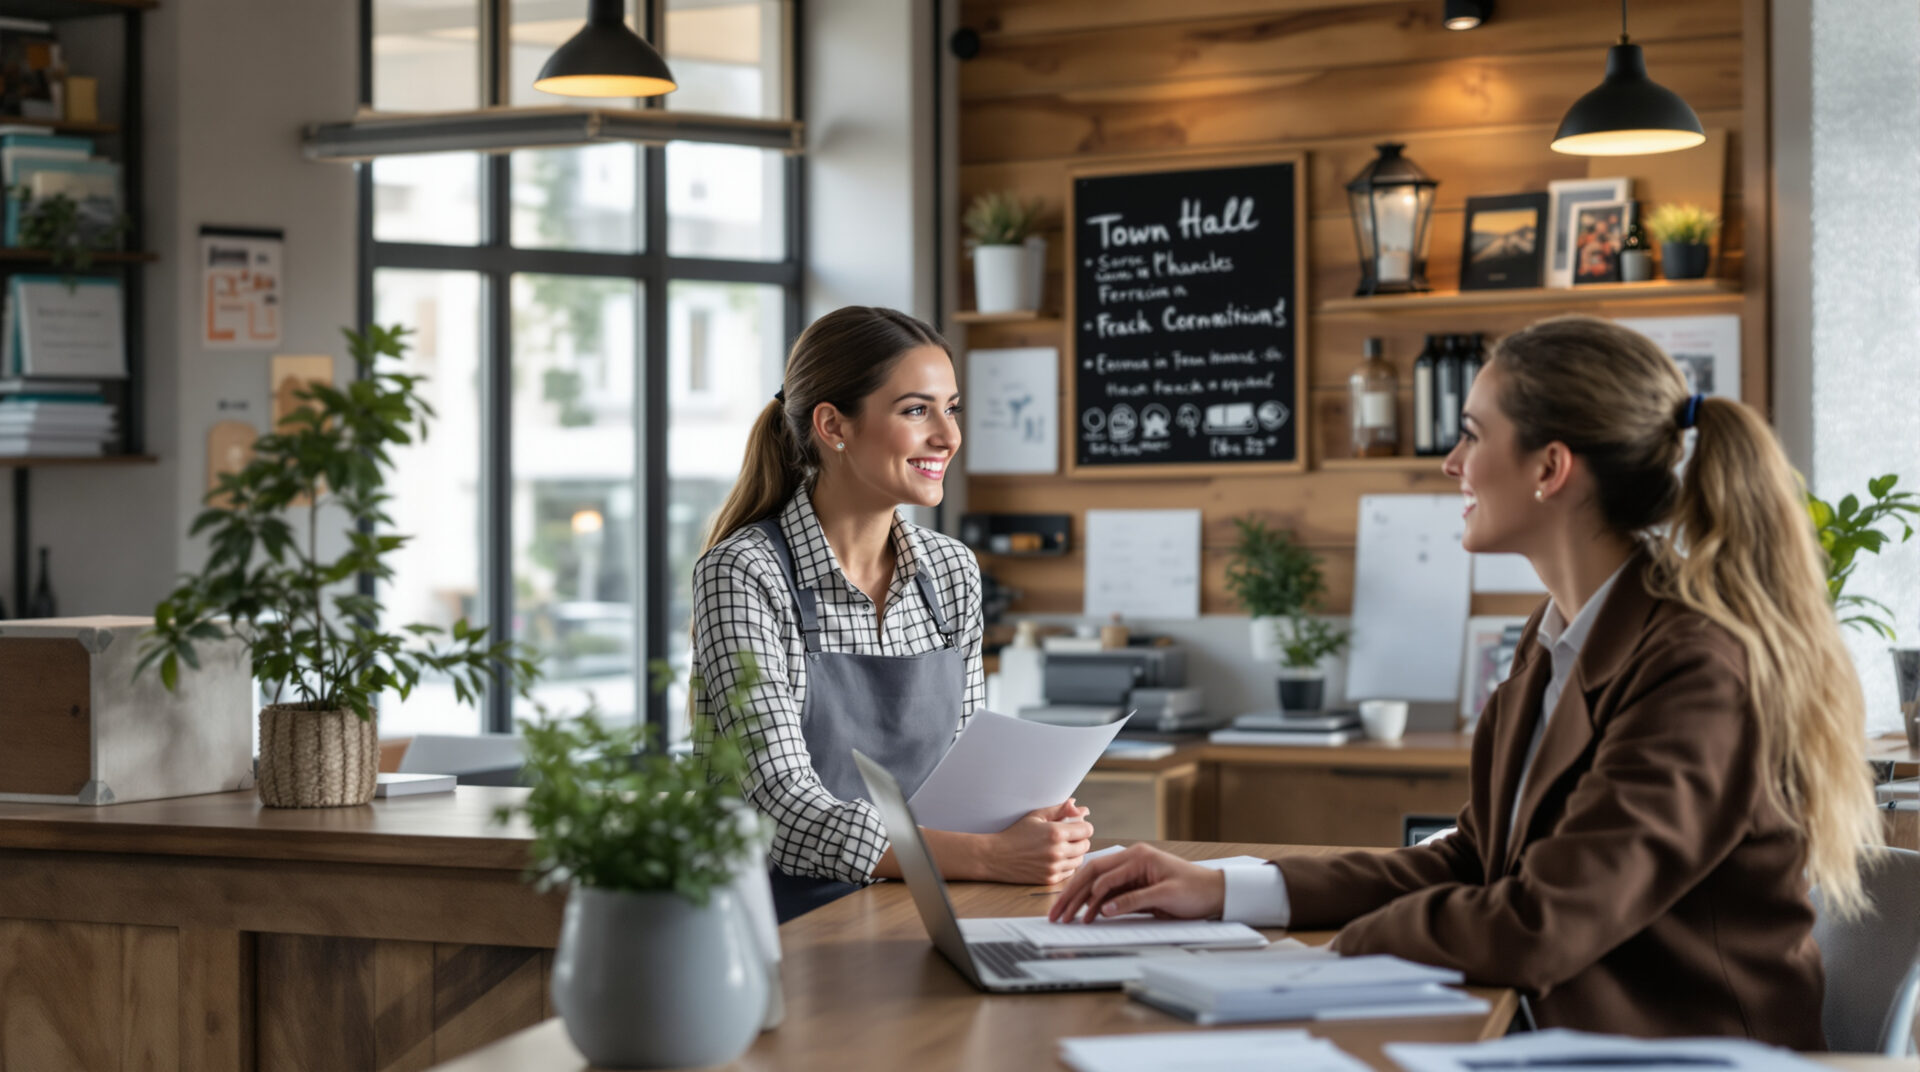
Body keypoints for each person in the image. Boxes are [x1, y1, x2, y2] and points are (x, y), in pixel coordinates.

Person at [1052, 315, 1879, 1044]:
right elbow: (1478, 861)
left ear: (1550, 468)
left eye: (1473, 435)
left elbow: (1541, 922)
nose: (1452, 463)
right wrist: (1226, 888)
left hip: (1674, 1050)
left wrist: (1329, 952)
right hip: (1552, 1026)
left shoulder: (1698, 665)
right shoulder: (1559, 632)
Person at [693, 306, 1093, 921]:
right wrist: (990, 856)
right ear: (833, 425)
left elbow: (963, 774)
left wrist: (1026, 822)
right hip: (774, 926)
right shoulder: (745, 572)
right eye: (916, 410)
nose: (948, 435)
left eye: (951, 408)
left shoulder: (951, 570)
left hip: (922, 910)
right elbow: (782, 810)